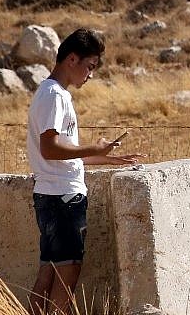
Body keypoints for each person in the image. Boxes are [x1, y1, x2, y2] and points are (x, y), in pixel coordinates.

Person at [26, 28, 144, 315]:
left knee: (48, 275)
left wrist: (110, 159)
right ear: (72, 59)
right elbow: (50, 149)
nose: (90, 75)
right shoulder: (54, 95)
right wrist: (94, 148)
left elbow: (64, 156)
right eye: (89, 67)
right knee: (67, 277)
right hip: (64, 200)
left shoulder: (51, 93)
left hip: (52, 196)